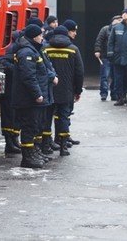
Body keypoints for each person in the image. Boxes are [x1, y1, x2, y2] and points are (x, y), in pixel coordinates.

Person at [12, 24, 56, 168]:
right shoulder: (27, 53)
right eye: (40, 35)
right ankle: (27, 158)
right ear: (33, 36)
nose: (42, 37)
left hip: (33, 98)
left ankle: (33, 153)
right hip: (28, 99)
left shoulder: (33, 50)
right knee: (29, 127)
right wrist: (37, 94)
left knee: (34, 126)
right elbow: (29, 77)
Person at [44, 25, 84, 156]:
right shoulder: (73, 49)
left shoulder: (46, 49)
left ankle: (46, 145)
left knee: (47, 117)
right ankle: (63, 147)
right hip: (66, 90)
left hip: (49, 89)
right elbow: (79, 72)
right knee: (63, 117)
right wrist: (78, 91)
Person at [0, 29, 23, 155]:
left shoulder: (19, 48)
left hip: (16, 88)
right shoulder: (12, 48)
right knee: (9, 115)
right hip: (10, 88)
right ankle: (9, 143)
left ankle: (14, 140)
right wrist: (16, 70)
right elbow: (3, 61)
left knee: (16, 116)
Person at [94, 14, 122, 101]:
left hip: (116, 57)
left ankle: (114, 94)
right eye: (119, 20)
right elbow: (99, 40)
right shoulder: (105, 29)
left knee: (115, 77)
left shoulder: (120, 30)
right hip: (105, 57)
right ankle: (103, 93)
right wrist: (97, 50)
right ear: (114, 20)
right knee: (104, 76)